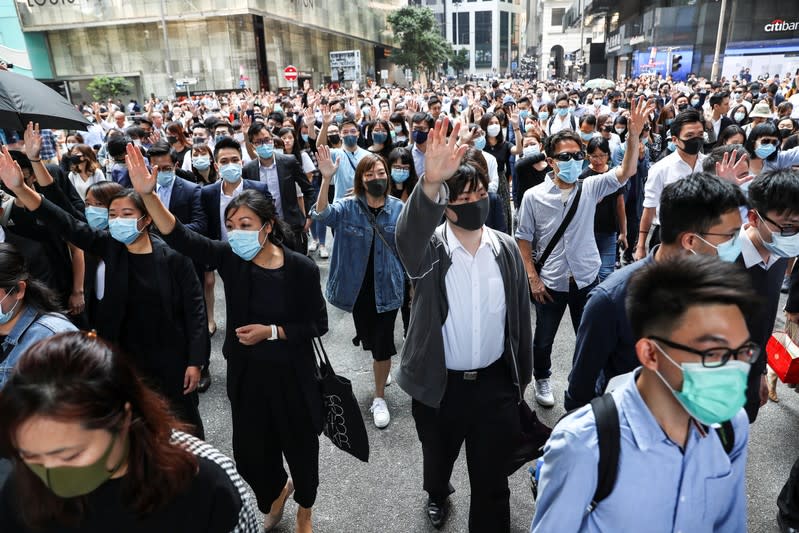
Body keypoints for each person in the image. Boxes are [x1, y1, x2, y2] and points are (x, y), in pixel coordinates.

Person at [125, 145, 326, 533]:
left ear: (268, 226)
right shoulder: (231, 259)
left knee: (301, 449)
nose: (236, 233)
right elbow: (181, 237)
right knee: (250, 456)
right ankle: (276, 490)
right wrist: (148, 195)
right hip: (247, 376)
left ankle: (305, 508)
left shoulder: (300, 268)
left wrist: (271, 332)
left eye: (246, 225)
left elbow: (317, 323)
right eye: (231, 225)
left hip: (293, 377)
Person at [532, 255, 755, 532]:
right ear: (650, 353)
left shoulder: (731, 427)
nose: (733, 371)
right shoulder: (583, 445)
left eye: (743, 352)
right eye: (712, 354)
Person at [0, 146, 208, 439]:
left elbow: (195, 310)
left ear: (146, 219)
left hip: (170, 358)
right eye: (113, 214)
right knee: (137, 425)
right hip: (125, 355)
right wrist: (20, 188)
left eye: (127, 213)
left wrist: (195, 361)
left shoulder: (174, 256)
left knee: (182, 425)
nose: (118, 220)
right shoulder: (110, 246)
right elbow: (65, 221)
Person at [395, 118, 532, 532]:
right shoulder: (430, 249)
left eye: (481, 193)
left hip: (493, 385)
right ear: (447, 206)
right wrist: (431, 182)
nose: (475, 202)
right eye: (465, 196)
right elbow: (407, 236)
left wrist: (518, 379)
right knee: (439, 457)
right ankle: (437, 491)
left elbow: (519, 322)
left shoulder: (505, 249)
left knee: (493, 484)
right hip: (441, 387)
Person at [0, 331, 260, 533]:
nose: (51, 475)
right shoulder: (20, 489)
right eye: (31, 457)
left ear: (123, 418)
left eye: (69, 456)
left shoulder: (203, 483)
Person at [565, 173, 748, 411]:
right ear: (690, 241)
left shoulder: (716, 284)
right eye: (730, 236)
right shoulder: (611, 299)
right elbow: (581, 387)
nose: (738, 243)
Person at [516, 97, 655, 407]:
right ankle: (542, 379)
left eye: (577, 155)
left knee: (589, 338)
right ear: (550, 160)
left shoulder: (590, 186)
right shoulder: (533, 197)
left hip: (586, 277)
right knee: (543, 340)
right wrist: (532, 278)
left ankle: (586, 386)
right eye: (564, 156)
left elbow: (627, 170)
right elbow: (523, 239)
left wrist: (633, 134)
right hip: (550, 281)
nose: (572, 161)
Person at [313, 147, 404, 428]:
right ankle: (380, 361)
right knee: (369, 336)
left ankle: (379, 396)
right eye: (370, 173)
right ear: (360, 179)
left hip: (387, 287)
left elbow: (409, 247)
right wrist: (326, 179)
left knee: (383, 342)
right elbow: (322, 216)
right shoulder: (349, 206)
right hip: (357, 289)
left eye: (381, 173)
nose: (377, 177)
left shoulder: (398, 208)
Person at [735, 169, 799, 422]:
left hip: (750, 374)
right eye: (788, 226)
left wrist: (760, 371)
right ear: (753, 217)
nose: (793, 236)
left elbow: (762, 324)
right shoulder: (719, 258)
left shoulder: (780, 255)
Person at [199, 137, 270, 337]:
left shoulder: (258, 189)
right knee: (235, 297)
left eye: (234, 159)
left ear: (242, 162)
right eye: (224, 161)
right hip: (225, 255)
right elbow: (206, 226)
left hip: (256, 252)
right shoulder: (207, 193)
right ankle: (238, 334)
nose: (229, 164)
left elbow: (270, 221)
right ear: (216, 165)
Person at [635, 109, 708, 260]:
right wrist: (641, 246)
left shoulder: (709, 165)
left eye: (700, 135)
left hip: (702, 236)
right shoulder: (660, 169)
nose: (696, 139)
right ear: (674, 140)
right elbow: (649, 210)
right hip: (669, 237)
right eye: (689, 136)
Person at [242, 123, 315, 254]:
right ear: (253, 145)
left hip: (292, 226)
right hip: (264, 229)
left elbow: (308, 190)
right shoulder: (249, 169)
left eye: (266, 140)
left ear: (272, 138)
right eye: (258, 142)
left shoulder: (289, 161)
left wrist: (309, 217)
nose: (263, 144)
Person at [580, 137, 626, 282]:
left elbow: (620, 205)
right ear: (588, 156)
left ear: (608, 155)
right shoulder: (583, 177)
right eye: (594, 156)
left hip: (609, 230)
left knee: (606, 273)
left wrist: (623, 232)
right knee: (589, 273)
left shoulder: (614, 176)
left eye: (602, 155)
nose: (598, 160)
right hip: (588, 232)